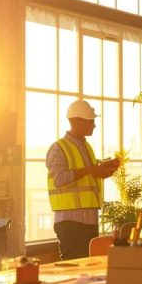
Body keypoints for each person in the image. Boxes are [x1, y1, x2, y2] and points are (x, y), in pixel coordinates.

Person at [46, 100, 121, 260]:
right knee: (73, 266)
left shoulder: (86, 147)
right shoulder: (58, 148)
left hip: (89, 219)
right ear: (77, 121)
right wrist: (91, 169)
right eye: (91, 121)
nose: (94, 125)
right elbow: (59, 179)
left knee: (88, 267)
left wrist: (102, 169)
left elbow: (87, 175)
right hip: (70, 222)